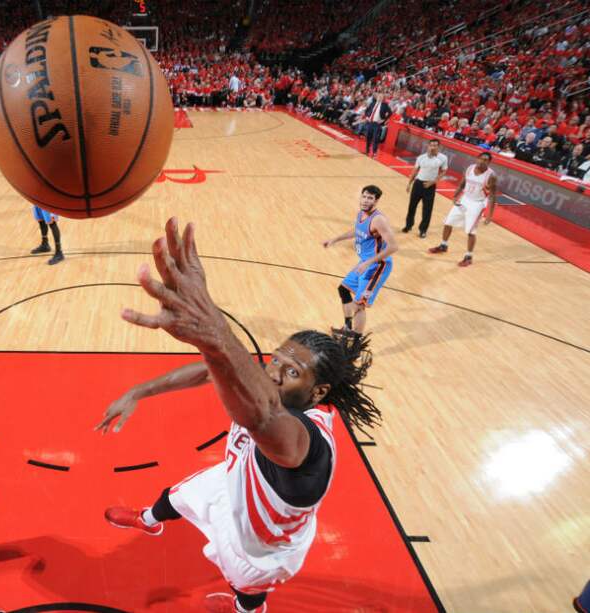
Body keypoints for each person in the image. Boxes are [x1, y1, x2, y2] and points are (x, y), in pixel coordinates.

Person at [98, 219, 382, 613]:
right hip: (235, 479)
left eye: (292, 371)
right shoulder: (276, 385)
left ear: (317, 392)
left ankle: (248, 608)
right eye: (276, 360)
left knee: (246, 587)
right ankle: (149, 520)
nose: (274, 372)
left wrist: (212, 329)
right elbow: (215, 370)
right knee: (178, 496)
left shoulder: (304, 441)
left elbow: (261, 416)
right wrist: (139, 391)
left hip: (262, 543)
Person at [323, 185, 398, 335]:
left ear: (376, 201)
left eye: (370, 198)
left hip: (377, 266)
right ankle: (348, 328)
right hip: (365, 263)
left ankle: (355, 342)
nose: (365, 200)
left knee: (359, 305)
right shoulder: (361, 214)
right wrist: (335, 239)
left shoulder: (378, 220)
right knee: (343, 289)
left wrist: (369, 262)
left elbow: (393, 246)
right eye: (364, 196)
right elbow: (357, 231)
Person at [428, 152, 497, 267]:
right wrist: (456, 195)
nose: (482, 161)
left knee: (471, 231)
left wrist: (490, 215)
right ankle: (443, 245)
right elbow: (462, 184)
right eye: (481, 159)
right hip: (464, 199)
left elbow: (493, 196)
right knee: (448, 222)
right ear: (477, 159)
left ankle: (468, 257)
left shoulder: (491, 176)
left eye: (485, 160)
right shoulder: (470, 168)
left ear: (489, 162)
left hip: (477, 204)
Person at [403, 138, 448, 238]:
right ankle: (408, 225)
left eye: (435, 145)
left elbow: (444, 171)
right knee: (412, 206)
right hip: (418, 184)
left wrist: (433, 182)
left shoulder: (443, 158)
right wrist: (409, 183)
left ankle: (423, 230)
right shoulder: (421, 157)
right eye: (431, 145)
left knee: (427, 210)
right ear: (428, 146)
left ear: (439, 147)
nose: (433, 147)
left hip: (430, 186)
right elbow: (415, 170)